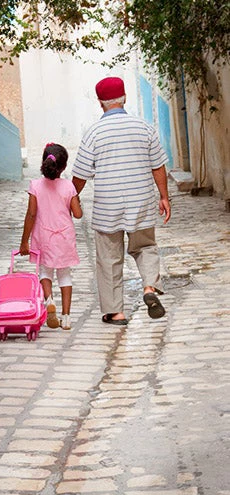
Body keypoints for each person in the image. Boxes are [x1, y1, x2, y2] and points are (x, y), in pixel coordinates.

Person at [72, 76, 171, 325]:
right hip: (141, 201)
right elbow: (158, 166)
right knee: (146, 247)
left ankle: (116, 312)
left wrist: (70, 199)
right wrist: (164, 197)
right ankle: (149, 288)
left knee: (108, 257)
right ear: (124, 98)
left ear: (100, 103)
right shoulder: (144, 127)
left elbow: (81, 175)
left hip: (108, 204)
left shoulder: (93, 132)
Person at [19, 143, 83, 330]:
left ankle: (49, 301)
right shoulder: (68, 186)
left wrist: (25, 241)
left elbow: (31, 214)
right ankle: (66, 317)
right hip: (64, 237)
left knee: (45, 272)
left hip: (43, 235)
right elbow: (78, 214)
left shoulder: (35, 186)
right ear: (63, 167)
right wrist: (75, 197)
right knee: (65, 275)